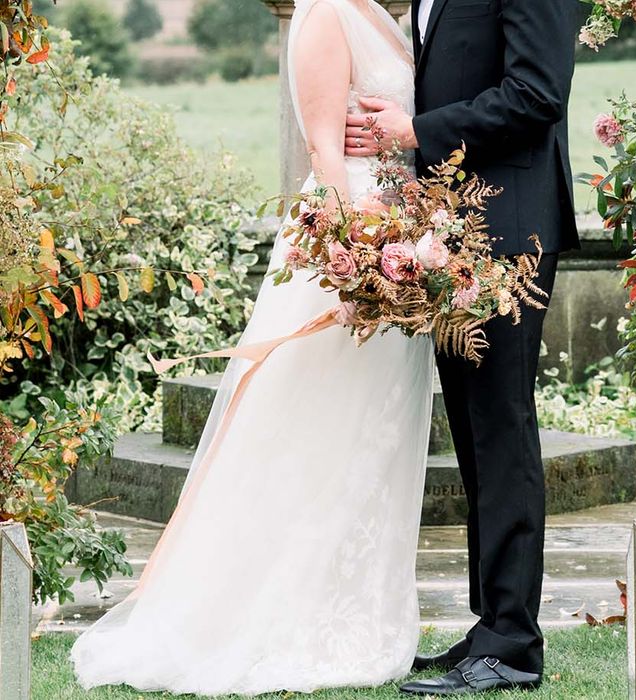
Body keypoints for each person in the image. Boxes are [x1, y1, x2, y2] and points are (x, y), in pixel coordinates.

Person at [69, 0, 435, 694]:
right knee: (312, 428)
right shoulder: (325, 12)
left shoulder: (390, 13)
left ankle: (359, 609)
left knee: (374, 434)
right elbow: (324, 146)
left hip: (403, 243)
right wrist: (355, 252)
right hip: (346, 248)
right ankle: (276, 614)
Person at [345, 0, 580, 693]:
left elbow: (537, 92)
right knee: (479, 436)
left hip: (510, 231)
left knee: (502, 428)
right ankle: (491, 626)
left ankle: (512, 644)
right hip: (456, 231)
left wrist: (417, 131)